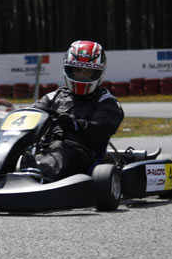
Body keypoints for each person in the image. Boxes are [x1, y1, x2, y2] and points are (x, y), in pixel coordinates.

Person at [28, 40, 124, 181]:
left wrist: (75, 125)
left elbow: (102, 129)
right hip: (47, 150)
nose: (81, 76)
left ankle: (40, 179)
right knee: (20, 148)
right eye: (77, 71)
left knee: (59, 146)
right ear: (69, 70)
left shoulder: (107, 102)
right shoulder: (54, 97)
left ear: (98, 73)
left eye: (88, 72)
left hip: (82, 155)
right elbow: (31, 115)